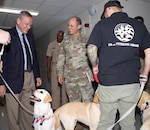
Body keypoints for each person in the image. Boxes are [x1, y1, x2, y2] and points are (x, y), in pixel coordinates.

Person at [87, 1, 150, 130]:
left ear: (108, 10)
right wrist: (145, 73)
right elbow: (149, 52)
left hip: (108, 82)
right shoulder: (139, 26)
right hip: (131, 82)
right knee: (128, 123)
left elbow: (91, 49)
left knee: (106, 122)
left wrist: (94, 66)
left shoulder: (102, 24)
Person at [0, 11, 42, 130]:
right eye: (26, 24)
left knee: (28, 110)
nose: (28, 27)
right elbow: (1, 61)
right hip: (12, 79)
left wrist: (37, 75)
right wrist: (1, 83)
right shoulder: (7, 35)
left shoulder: (30, 36)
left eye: (30, 25)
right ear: (18, 21)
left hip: (29, 77)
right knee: (13, 114)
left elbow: (33, 56)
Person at [57, 16, 94, 103]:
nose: (69, 28)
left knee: (88, 103)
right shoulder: (65, 42)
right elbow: (61, 58)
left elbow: (93, 56)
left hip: (84, 77)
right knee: (74, 105)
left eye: (72, 26)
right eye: (68, 25)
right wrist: (59, 73)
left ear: (79, 26)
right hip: (70, 78)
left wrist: (94, 71)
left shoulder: (86, 39)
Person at [46, 30, 68, 110]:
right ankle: (56, 108)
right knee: (55, 89)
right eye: (59, 35)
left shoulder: (66, 44)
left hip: (64, 67)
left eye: (61, 36)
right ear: (56, 36)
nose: (60, 37)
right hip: (54, 66)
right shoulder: (51, 45)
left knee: (64, 88)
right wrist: (48, 71)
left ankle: (65, 108)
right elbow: (48, 59)